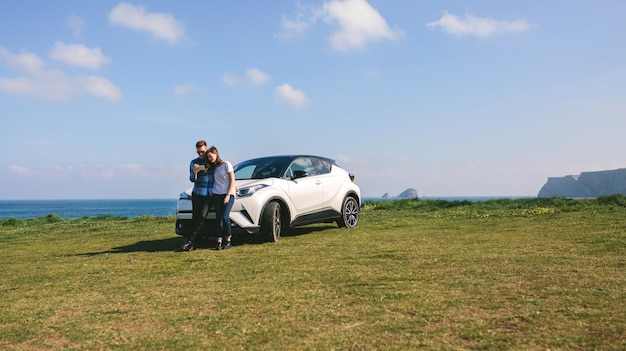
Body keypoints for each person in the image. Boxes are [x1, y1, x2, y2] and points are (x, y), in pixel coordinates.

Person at [182, 140, 212, 251]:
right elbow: (191, 179)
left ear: (206, 148)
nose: (201, 154)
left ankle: (192, 240)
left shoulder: (212, 160)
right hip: (198, 192)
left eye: (202, 151)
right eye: (199, 152)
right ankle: (193, 241)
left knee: (202, 216)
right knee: (195, 217)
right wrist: (194, 172)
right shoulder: (194, 162)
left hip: (209, 193)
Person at [205, 146, 236, 250]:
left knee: (225, 217)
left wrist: (228, 195)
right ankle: (218, 241)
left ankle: (228, 240)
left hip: (228, 194)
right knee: (218, 218)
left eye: (210, 156)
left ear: (216, 154)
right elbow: (202, 169)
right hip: (217, 194)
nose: (210, 159)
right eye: (208, 157)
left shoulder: (226, 164)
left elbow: (232, 180)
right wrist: (196, 168)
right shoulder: (213, 167)